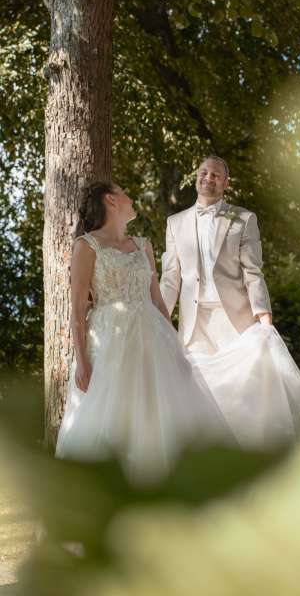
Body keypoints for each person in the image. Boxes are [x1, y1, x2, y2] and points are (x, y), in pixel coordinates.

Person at [160, 156, 300, 454]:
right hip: (194, 324)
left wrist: (264, 318)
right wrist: (158, 317)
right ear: (196, 177)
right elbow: (170, 278)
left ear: (226, 183)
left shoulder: (244, 219)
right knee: (199, 391)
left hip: (235, 320)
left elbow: (252, 271)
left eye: (216, 175)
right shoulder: (175, 223)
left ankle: (249, 457)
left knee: (242, 393)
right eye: (204, 172)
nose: (208, 178)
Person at [55, 181, 232, 484]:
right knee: (114, 412)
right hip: (109, 341)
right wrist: (82, 362)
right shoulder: (86, 246)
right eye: (124, 193)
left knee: (158, 408)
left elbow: (158, 301)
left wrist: (177, 348)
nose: (131, 198)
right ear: (111, 200)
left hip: (152, 338)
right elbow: (77, 309)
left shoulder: (143, 245)